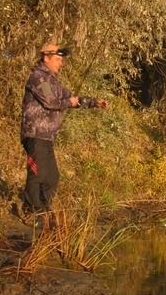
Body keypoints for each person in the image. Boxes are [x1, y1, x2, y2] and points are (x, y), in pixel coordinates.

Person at [20, 43, 107, 215]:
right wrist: (69, 102)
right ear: (46, 58)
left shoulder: (53, 81)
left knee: (52, 178)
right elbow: (51, 102)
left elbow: (71, 98)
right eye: (58, 59)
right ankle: (32, 211)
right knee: (37, 175)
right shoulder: (39, 78)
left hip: (47, 137)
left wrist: (94, 103)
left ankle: (43, 210)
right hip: (35, 134)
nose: (61, 63)